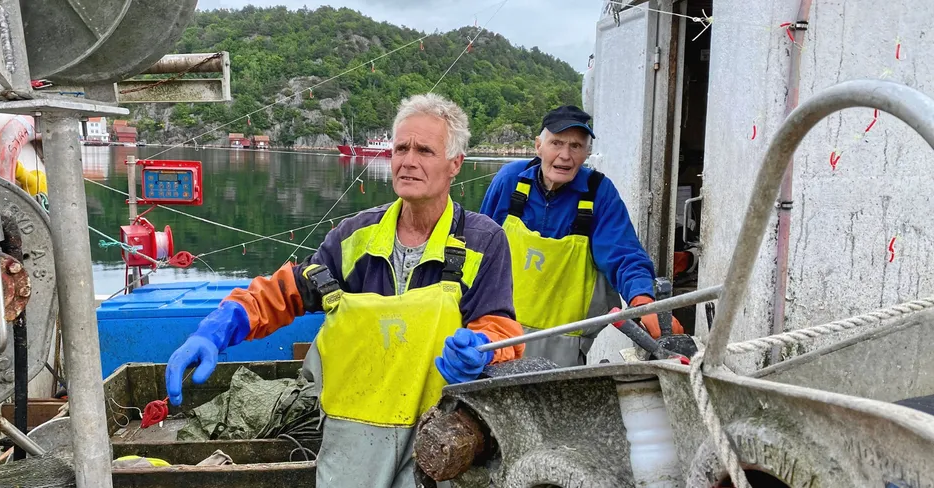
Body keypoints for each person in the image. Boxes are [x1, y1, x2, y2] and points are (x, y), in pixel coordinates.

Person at [164, 93, 524, 488]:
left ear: (455, 163)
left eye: (425, 150)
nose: (408, 160)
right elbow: (286, 291)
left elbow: (501, 329)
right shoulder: (353, 236)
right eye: (401, 147)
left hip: (439, 430)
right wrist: (217, 330)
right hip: (352, 434)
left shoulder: (484, 241)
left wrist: (478, 350)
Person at [479, 105, 681, 367]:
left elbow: (624, 254)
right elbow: (479, 250)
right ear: (539, 146)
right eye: (557, 143)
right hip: (498, 334)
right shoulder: (509, 180)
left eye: (576, 146)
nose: (565, 155)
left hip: (565, 346)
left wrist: (642, 300)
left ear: (587, 153)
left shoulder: (599, 193)